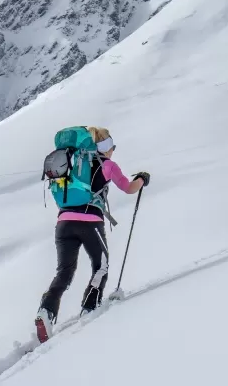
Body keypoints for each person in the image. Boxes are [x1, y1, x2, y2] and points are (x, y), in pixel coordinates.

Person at [35, 126, 149, 343]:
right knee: (101, 265)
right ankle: (90, 308)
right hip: (90, 223)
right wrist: (142, 178)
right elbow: (129, 188)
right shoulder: (108, 165)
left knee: (65, 271)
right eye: (110, 145)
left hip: (63, 223)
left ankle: (46, 311)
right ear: (103, 146)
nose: (112, 149)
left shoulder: (70, 165)